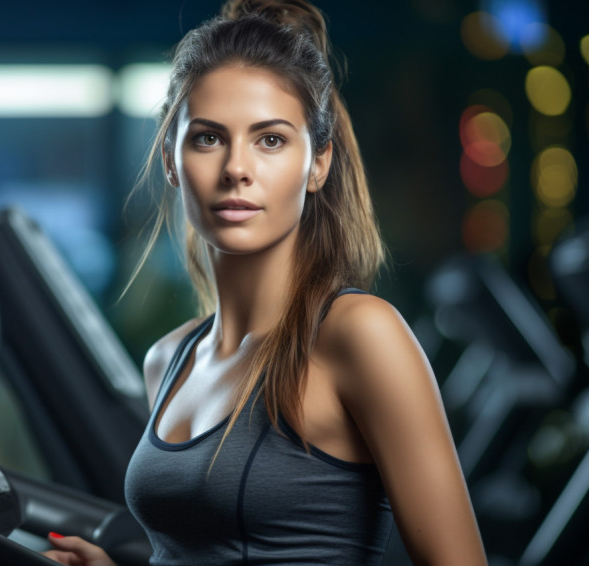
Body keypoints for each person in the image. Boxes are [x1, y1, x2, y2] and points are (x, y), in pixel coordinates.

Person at [45, 0, 487, 564]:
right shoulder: (168, 359)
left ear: (319, 163)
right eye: (207, 138)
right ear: (171, 160)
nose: (236, 167)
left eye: (270, 140)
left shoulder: (357, 335)